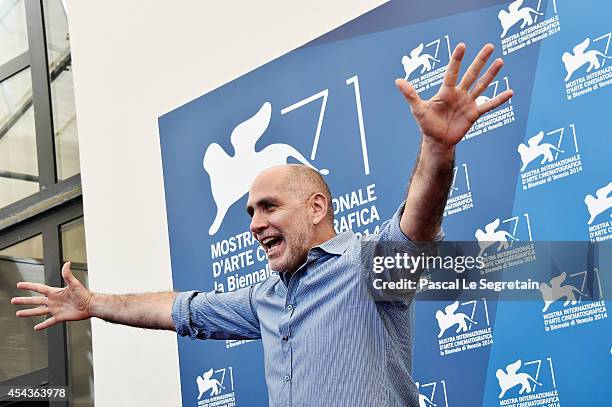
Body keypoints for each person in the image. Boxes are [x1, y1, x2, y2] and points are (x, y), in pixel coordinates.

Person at [12, 43, 512, 406]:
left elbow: (418, 228)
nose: (254, 223)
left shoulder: (367, 265)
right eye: (250, 212)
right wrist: (94, 303)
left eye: (269, 207)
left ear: (317, 208)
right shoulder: (264, 300)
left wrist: (438, 148)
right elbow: (176, 309)